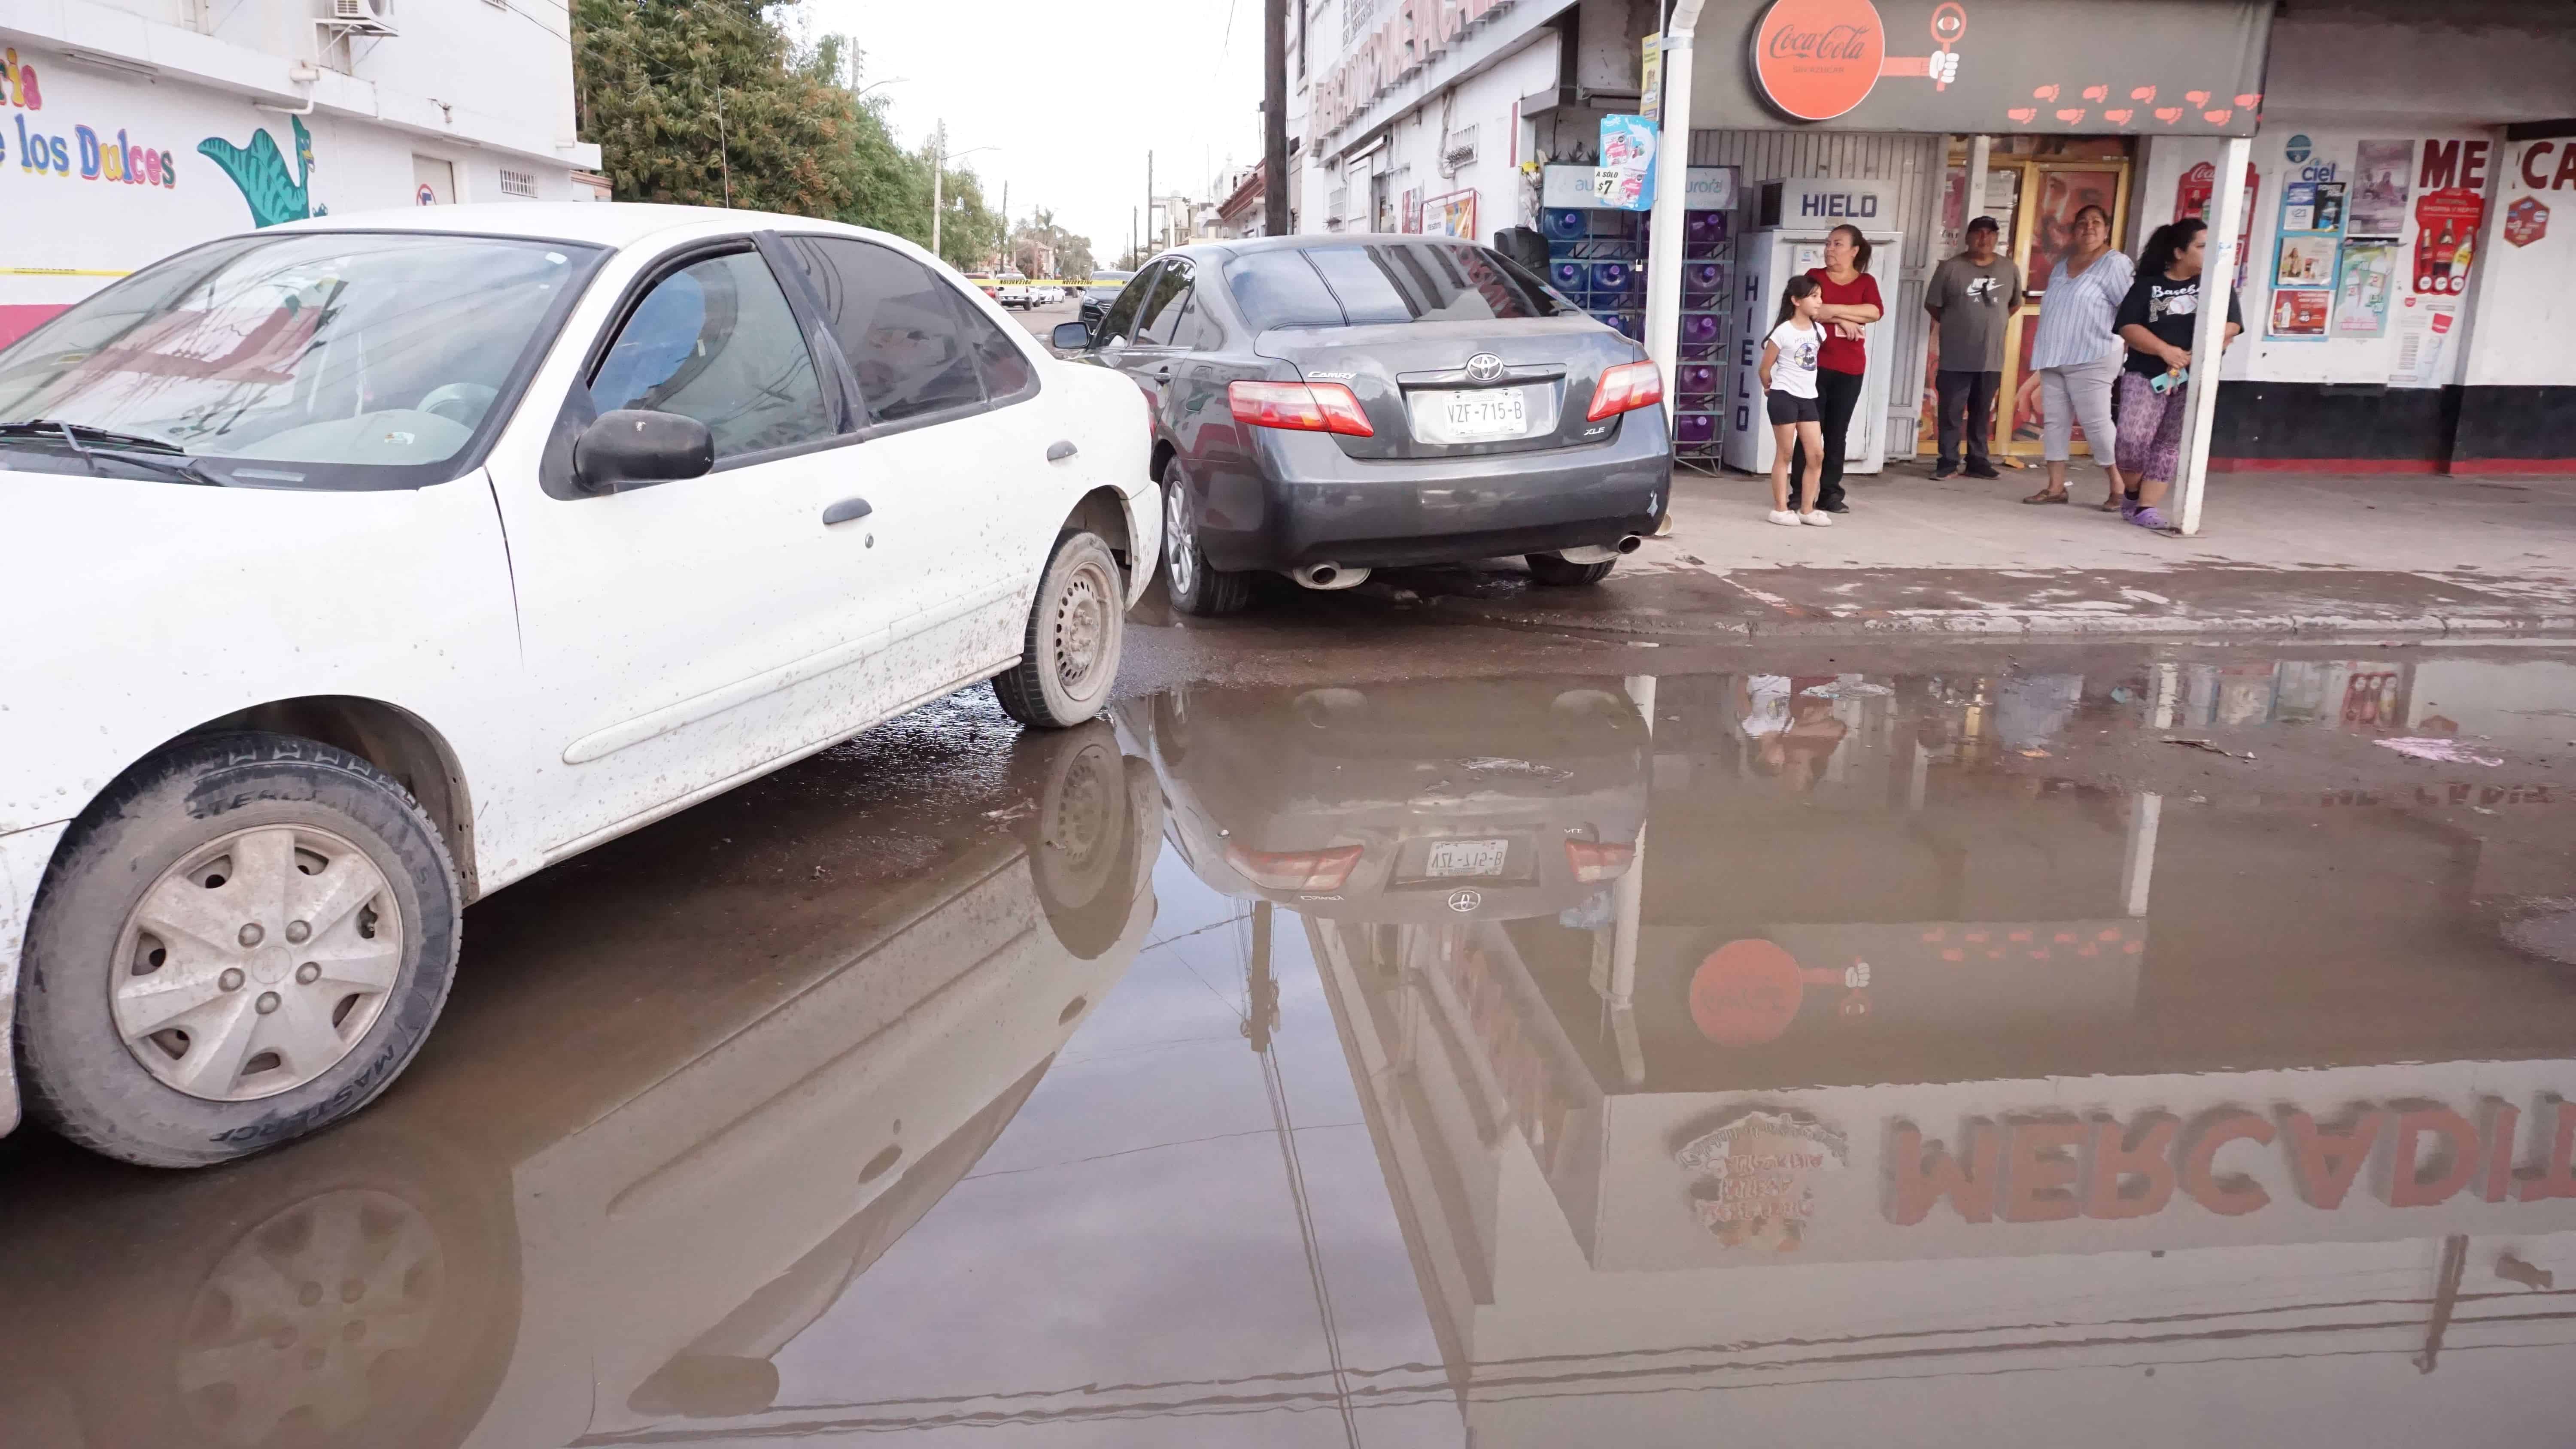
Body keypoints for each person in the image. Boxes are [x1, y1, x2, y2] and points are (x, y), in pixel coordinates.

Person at [2113, 218, 2242, 530]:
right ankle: (2132, 491)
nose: (2208, 253)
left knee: (2169, 444)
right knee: (2131, 441)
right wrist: (2164, 350)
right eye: (2201, 247)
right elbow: (2127, 327)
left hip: (2193, 377)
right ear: (2178, 252)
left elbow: (2232, 325)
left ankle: (2147, 507)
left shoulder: (2217, 284)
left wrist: (2200, 351)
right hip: (2146, 374)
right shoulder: (2148, 285)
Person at [2022, 203, 2134, 508]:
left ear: (2107, 229)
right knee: (2056, 423)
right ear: (2074, 230)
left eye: (2096, 222)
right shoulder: (2064, 264)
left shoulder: (2115, 264)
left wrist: (2126, 344)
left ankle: (2120, 487)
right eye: (2082, 223)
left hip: (2094, 354)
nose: (2089, 228)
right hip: (2055, 354)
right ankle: (2056, 487)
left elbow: (2129, 309)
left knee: (2097, 423)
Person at [1787, 224, 1882, 514]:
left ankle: (1830, 492)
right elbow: (1812, 309)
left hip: (1850, 368)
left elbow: (1875, 312)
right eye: (1829, 244)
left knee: (1837, 431)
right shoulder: (1814, 277)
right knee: (1808, 430)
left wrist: (1836, 313)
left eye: (1838, 244)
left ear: (1855, 251)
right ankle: (1800, 493)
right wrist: (1845, 319)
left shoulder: (1866, 282)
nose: (1830, 249)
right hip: (1813, 365)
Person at [1923, 215, 2023, 479]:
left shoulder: (2009, 269)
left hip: (1990, 357)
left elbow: (2014, 305)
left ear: (1997, 238)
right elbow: (1933, 305)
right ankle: (1948, 461)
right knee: (1951, 412)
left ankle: (1978, 461)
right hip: (1956, 356)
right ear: (1967, 237)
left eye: (1991, 234)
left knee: (1982, 412)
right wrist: (1960, 324)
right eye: (1979, 233)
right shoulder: (1950, 268)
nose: (1984, 239)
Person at [1759, 275, 1832, 528]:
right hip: (1784, 397)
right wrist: (1771, 390)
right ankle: (1780, 509)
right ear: (1796, 301)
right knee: (1786, 453)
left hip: (1808, 398)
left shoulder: (1818, 331)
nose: (1819, 302)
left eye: (1820, 296)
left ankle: (1807, 509)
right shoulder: (1783, 332)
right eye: (1814, 297)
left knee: (1816, 455)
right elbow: (1765, 369)